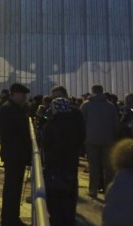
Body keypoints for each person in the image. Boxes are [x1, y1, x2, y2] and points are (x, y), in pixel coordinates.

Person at [42, 95, 85, 226]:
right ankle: (68, 219)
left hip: (55, 164)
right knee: (69, 194)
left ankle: (57, 220)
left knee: (56, 196)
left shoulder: (53, 124)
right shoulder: (73, 123)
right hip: (70, 163)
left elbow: (47, 143)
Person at [0, 82, 32, 226]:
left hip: (16, 154)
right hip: (14, 154)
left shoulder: (14, 108)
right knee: (12, 187)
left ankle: (12, 216)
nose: (25, 97)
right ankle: (9, 218)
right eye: (23, 94)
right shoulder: (8, 109)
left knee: (14, 186)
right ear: (16, 94)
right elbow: (10, 134)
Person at [80, 83, 120, 198]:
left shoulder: (86, 105)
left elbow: (82, 122)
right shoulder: (110, 106)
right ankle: (109, 190)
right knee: (108, 167)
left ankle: (93, 190)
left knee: (94, 166)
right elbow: (116, 124)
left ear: (92, 91)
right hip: (108, 140)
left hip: (91, 140)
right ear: (102, 91)